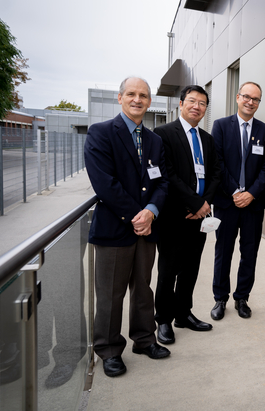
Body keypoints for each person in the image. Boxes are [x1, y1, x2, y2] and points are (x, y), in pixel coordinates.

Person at [84, 77, 170, 377]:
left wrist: (151, 212)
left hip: (147, 229)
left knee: (143, 289)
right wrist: (138, 216)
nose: (137, 99)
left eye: (143, 95)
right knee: (111, 294)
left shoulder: (155, 141)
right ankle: (108, 349)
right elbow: (104, 183)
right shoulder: (101, 133)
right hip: (115, 229)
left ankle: (144, 340)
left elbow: (162, 183)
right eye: (131, 94)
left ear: (150, 102)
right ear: (120, 98)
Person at [153, 85, 221, 345]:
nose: (197, 106)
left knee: (191, 268)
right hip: (174, 215)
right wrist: (194, 203)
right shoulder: (163, 134)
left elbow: (215, 173)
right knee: (168, 269)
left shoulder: (207, 139)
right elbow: (167, 174)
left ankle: (183, 313)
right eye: (192, 101)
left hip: (200, 217)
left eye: (202, 103)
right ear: (181, 104)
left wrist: (205, 204)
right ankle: (163, 319)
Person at [210, 82, 265, 320]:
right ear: (238, 97)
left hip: (253, 205)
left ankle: (242, 298)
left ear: (259, 103)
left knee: (249, 253)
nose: (250, 102)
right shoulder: (220, 126)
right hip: (226, 202)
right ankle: (220, 298)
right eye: (246, 97)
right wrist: (235, 192)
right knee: (223, 252)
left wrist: (251, 194)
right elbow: (217, 163)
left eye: (255, 99)